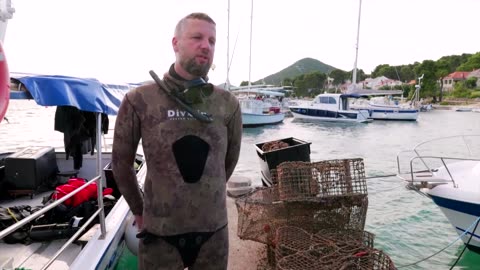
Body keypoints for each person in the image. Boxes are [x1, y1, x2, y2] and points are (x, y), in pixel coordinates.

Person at [111, 12, 242, 270]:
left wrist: (206, 193)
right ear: (175, 43)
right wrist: (139, 209)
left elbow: (228, 162)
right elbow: (120, 163)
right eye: (197, 37)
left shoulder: (227, 104)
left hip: (213, 231)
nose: (206, 45)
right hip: (159, 233)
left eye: (212, 41)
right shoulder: (140, 99)